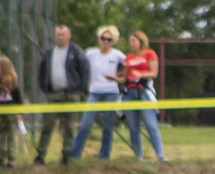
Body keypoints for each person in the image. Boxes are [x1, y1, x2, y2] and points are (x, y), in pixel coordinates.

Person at [33, 23, 88, 165]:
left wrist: (80, 89)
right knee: (47, 125)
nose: (60, 37)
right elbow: (41, 71)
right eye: (58, 34)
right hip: (53, 94)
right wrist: (44, 88)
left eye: (63, 34)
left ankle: (66, 156)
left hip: (71, 95)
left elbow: (85, 71)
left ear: (69, 36)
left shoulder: (76, 52)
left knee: (69, 127)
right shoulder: (49, 52)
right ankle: (40, 155)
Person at [71, 26, 126, 160]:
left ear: (113, 41)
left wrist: (119, 77)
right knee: (85, 125)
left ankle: (104, 155)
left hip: (111, 92)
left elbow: (128, 65)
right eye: (103, 38)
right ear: (99, 39)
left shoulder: (117, 55)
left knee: (108, 126)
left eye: (109, 39)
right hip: (94, 92)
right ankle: (74, 155)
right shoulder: (90, 53)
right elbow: (80, 66)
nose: (106, 42)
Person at [121, 30, 167, 163]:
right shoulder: (128, 57)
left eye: (133, 41)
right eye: (130, 41)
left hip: (143, 91)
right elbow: (124, 76)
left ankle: (160, 155)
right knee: (133, 127)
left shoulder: (150, 54)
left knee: (150, 124)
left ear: (141, 41)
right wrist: (114, 78)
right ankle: (138, 157)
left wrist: (141, 75)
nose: (131, 43)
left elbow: (154, 73)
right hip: (129, 93)